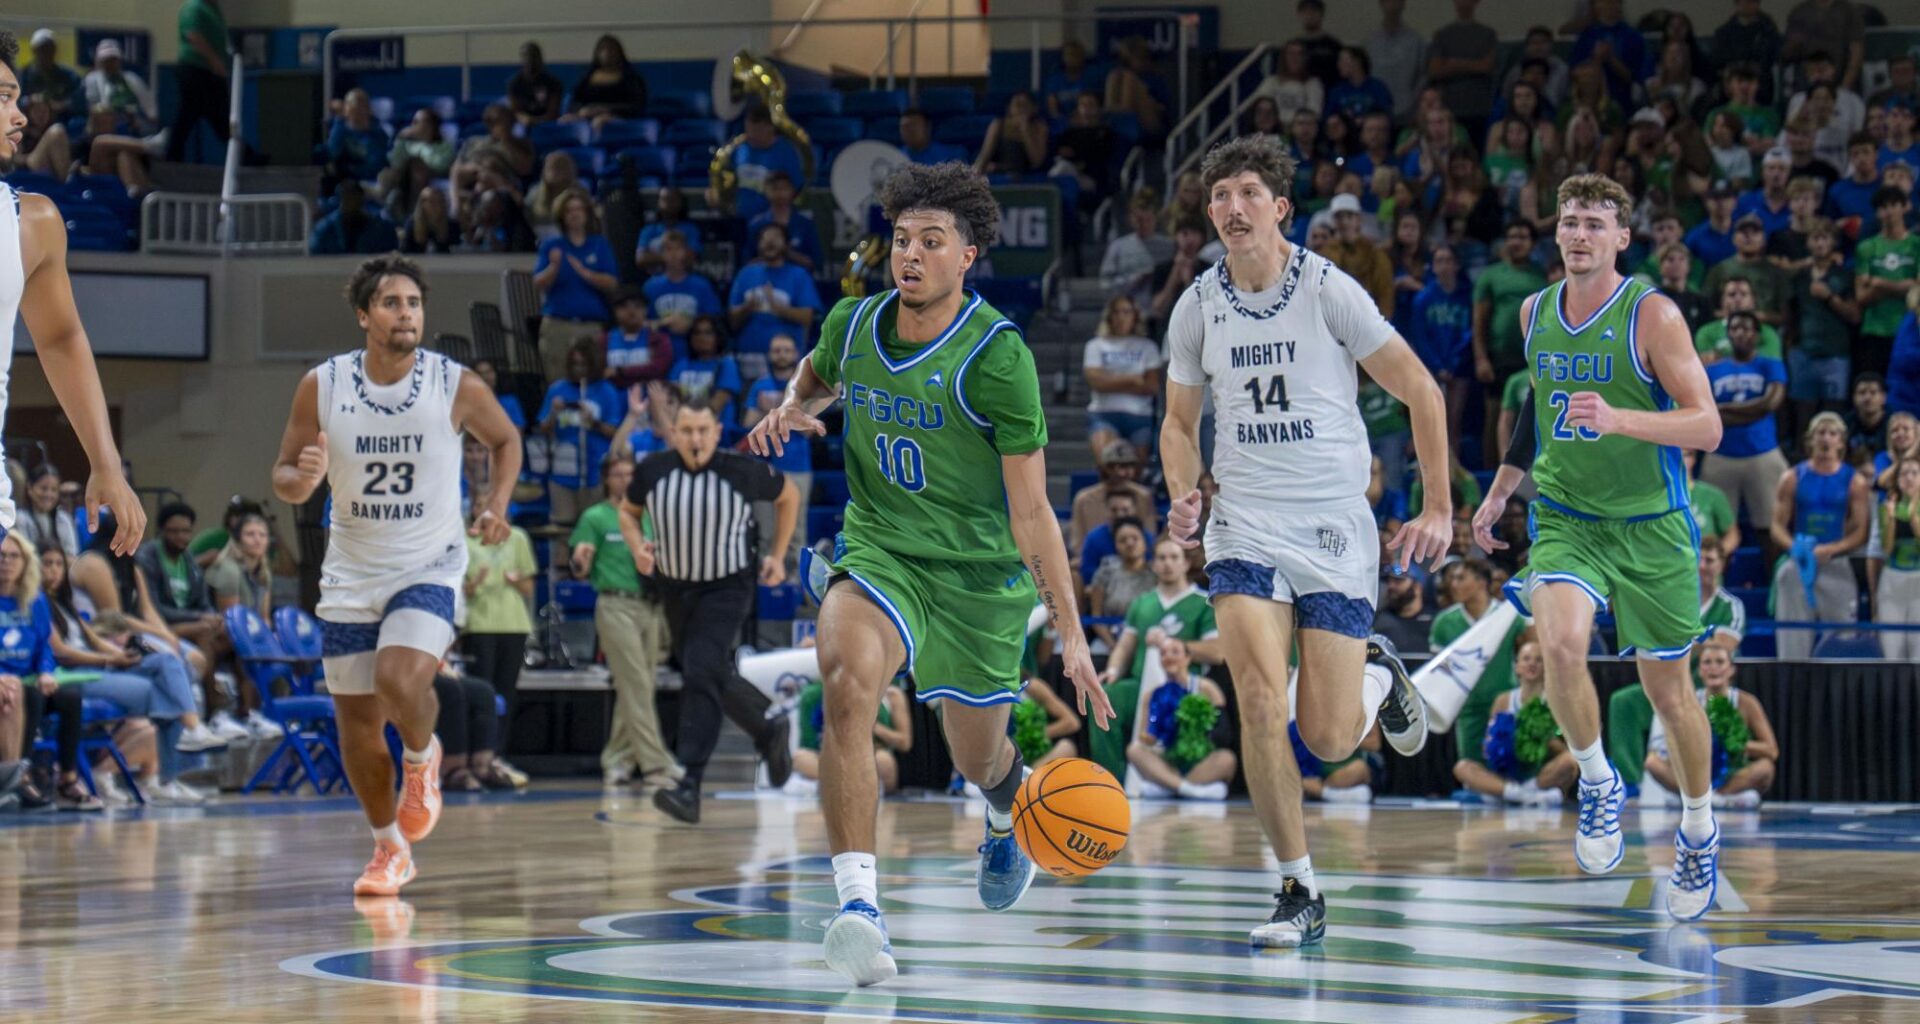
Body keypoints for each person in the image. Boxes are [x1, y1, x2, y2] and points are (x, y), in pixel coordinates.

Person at [746, 161, 1109, 986]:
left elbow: (1032, 515)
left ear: (968, 255)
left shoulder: (997, 357)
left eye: (931, 241)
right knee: (845, 681)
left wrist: (1074, 635)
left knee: (978, 759)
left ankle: (1001, 807)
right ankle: (858, 909)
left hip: (979, 581)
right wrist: (794, 403)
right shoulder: (853, 322)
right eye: (901, 239)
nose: (909, 254)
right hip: (879, 552)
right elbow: (819, 368)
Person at [1160, 134, 1448, 946]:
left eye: (1248, 191)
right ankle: (1297, 886)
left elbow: (1423, 390)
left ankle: (1374, 675)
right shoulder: (1197, 305)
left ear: (1280, 208)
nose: (1231, 206)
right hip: (1243, 521)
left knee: (1324, 737)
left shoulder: (1328, 290)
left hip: (1330, 523)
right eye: (1219, 195)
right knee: (1257, 698)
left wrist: (1438, 507)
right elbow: (1178, 426)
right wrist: (1184, 493)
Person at [1472, 173, 1727, 921]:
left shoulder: (1655, 316)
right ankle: (1596, 782)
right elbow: (1538, 408)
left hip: (1653, 524)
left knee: (1669, 694)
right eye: (1569, 221)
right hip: (1567, 515)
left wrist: (1621, 420)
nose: (1578, 234)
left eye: (1594, 223)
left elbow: (1707, 426)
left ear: (1622, 237)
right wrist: (1500, 488)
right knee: (1559, 645)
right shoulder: (1533, 311)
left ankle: (1699, 828)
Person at [270, 254, 522, 897]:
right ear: (364, 314)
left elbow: (506, 440)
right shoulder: (321, 385)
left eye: (413, 302)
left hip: (429, 563)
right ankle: (390, 848)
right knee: (355, 725)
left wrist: (495, 504)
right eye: (391, 303)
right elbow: (286, 477)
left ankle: (422, 755)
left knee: (397, 678)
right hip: (352, 570)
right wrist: (302, 480)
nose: (405, 312)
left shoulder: (452, 382)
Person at [626, 402, 797, 822]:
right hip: (674, 587)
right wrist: (636, 547)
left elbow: (788, 495)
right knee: (710, 671)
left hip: (726, 587)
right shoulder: (652, 470)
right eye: (687, 430)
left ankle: (689, 785)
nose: (696, 439)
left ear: (717, 431)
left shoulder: (739, 470)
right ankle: (768, 728)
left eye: (703, 430)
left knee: (700, 671)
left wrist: (777, 556)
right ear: (674, 433)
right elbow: (628, 512)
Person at [571, 454, 676, 789]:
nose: (625, 480)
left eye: (630, 474)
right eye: (617, 475)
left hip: (651, 606)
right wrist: (580, 559)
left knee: (637, 685)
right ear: (606, 480)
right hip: (615, 605)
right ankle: (656, 765)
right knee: (637, 683)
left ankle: (618, 760)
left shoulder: (647, 516)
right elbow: (580, 561)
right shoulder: (596, 516)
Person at [1605, 544, 1746, 793]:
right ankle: (1629, 782)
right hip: (1669, 675)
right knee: (1623, 701)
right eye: (1699, 560)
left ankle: (1713, 786)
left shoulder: (1730, 605)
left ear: (1722, 565)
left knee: (1692, 696)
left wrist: (1681, 641)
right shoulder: (1677, 598)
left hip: (1706, 680)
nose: (1703, 566)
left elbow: (1723, 647)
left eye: (1710, 560)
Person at [1092, 535, 1221, 778]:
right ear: (1153, 564)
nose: (1167, 563)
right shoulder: (1142, 603)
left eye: (1174, 557)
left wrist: (1174, 645)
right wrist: (1112, 671)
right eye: (1161, 558)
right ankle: (1110, 779)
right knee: (1104, 697)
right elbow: (1124, 646)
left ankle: (1183, 777)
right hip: (1141, 685)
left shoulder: (1203, 602)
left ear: (1185, 563)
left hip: (1184, 687)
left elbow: (1217, 652)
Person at [1770, 412, 1871, 657]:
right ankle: (1791, 686)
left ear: (1841, 442)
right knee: (1791, 637)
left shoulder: (1854, 481)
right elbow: (1776, 526)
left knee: (1843, 639)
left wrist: (1833, 549)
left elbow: (1861, 531)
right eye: (1821, 433)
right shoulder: (1792, 477)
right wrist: (1795, 547)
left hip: (1836, 562)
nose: (1826, 438)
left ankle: (1841, 691)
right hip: (1800, 562)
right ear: (1810, 440)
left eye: (1832, 433)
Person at [1644, 646, 1777, 810]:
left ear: (1731, 670)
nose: (1713, 667)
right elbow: (1670, 746)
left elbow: (1771, 750)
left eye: (1720, 662)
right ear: (1700, 670)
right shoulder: (1688, 702)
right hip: (1694, 772)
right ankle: (1699, 795)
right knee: (1653, 763)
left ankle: (1716, 795)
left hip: (1732, 773)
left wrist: (1735, 743)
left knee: (1765, 768)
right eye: (1707, 662)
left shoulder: (1746, 702)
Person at [1453, 640, 1573, 806]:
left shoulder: (1555, 703)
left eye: (1539, 660)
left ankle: (1517, 792)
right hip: (1506, 772)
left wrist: (1543, 739)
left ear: (1547, 668)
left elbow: (1566, 750)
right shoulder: (1503, 700)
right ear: (1517, 667)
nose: (1532, 663)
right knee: (1462, 767)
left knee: (1570, 761)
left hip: (1540, 773)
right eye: (1526, 659)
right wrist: (1502, 743)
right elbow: (1487, 745)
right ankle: (1519, 794)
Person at [1473, 221, 1549, 466]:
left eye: (1523, 237)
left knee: (1533, 415)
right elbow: (1479, 321)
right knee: (1495, 416)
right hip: (1499, 357)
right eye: (1512, 236)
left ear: (1533, 244)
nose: (1516, 242)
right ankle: (1492, 472)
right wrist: (1481, 357)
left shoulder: (1541, 276)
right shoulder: (1491, 275)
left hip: (1533, 358)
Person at [1125, 637, 1236, 800]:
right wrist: (1159, 730)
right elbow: (1145, 738)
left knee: (1227, 759)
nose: (1168, 657)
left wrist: (1195, 731)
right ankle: (1187, 789)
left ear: (1188, 658)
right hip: (1169, 760)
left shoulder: (1206, 688)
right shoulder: (1152, 695)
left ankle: (1168, 787)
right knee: (1134, 750)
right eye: (1163, 653)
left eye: (1175, 652)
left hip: (1201, 761)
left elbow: (1224, 733)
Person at [534, 188, 620, 387]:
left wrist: (586, 273)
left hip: (591, 325)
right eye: (569, 210)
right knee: (558, 382)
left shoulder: (599, 245)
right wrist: (554, 267)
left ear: (587, 214)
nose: (574, 214)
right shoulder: (552, 245)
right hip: (558, 324)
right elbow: (538, 283)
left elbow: (612, 283)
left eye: (579, 209)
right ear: (562, 215)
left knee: (594, 381)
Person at [536, 339, 625, 524]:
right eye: (574, 364)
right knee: (561, 530)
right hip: (563, 473)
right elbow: (543, 429)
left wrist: (594, 423)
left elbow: (615, 432)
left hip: (596, 473)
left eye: (583, 364)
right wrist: (554, 413)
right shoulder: (557, 389)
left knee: (594, 527)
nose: (578, 369)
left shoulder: (606, 391)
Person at [728, 222, 822, 383]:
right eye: (765, 239)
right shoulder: (746, 274)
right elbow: (731, 320)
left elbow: (807, 317)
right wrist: (746, 309)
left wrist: (778, 308)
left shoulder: (798, 275)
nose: (770, 242)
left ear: (786, 244)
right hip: (749, 357)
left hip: (786, 358)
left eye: (776, 238)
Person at [792, 676, 910, 796]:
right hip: (834, 756)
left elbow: (904, 743)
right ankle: (845, 786)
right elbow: (810, 744)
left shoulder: (891, 695)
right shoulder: (816, 693)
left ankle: (842, 786)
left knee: (884, 761)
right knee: (800, 758)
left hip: (870, 756)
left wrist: (874, 728)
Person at [1082, 295, 1161, 460]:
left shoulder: (1148, 347)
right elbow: (1096, 383)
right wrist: (1132, 379)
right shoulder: (1095, 345)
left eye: (1126, 312)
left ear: (1135, 316)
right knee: (1108, 466)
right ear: (1109, 316)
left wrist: (1109, 379)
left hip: (1139, 416)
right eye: (1116, 312)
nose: (1121, 317)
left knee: (1133, 474)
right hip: (1104, 414)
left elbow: (1151, 386)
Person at [1854, 186, 1920, 378]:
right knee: (1874, 385)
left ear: (1905, 207)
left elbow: (1917, 290)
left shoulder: (1917, 246)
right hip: (1875, 330)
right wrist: (1903, 286)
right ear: (1877, 212)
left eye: (1893, 205)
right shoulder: (1867, 247)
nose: (1889, 211)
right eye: (1883, 207)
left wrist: (1879, 283)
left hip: (1910, 329)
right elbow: (1861, 297)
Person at [719, 102, 806, 221]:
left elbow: (795, 187)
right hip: (741, 218)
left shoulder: (786, 152)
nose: (749, 134)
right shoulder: (739, 149)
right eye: (747, 128)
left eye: (755, 130)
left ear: (769, 127)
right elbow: (730, 181)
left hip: (773, 222)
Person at [169, 0, 231, 162]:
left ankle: (246, 155)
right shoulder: (194, 7)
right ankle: (171, 156)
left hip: (209, 71)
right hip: (195, 69)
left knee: (220, 118)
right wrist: (215, 61)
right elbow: (193, 35)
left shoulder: (213, 9)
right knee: (188, 115)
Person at [1876, 455, 1920, 660]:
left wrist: (1913, 515)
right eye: (1904, 473)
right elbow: (1886, 547)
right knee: (1892, 651)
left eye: (1914, 473)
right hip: (1892, 581)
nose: (1909, 478)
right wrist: (1892, 518)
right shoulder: (1888, 506)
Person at [746, 170, 824, 273]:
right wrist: (770, 254)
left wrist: (786, 252)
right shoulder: (756, 225)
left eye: (784, 188)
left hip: (797, 282)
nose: (780, 193)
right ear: (766, 191)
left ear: (792, 191)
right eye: (775, 188)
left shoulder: (805, 224)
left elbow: (816, 263)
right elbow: (746, 263)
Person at [566, 33, 646, 127]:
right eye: (603, 49)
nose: (607, 53)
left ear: (619, 53)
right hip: (587, 115)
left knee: (599, 122)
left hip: (619, 117)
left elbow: (636, 106)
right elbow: (574, 101)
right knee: (565, 121)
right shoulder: (587, 77)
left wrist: (607, 110)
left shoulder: (631, 78)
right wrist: (581, 110)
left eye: (611, 50)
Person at [1365, 0, 1427, 121]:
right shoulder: (1370, 42)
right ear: (1381, 4)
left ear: (1403, 4)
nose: (1392, 5)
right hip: (1377, 113)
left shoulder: (1416, 40)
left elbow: (1422, 77)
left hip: (1407, 113)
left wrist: (1413, 105)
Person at [204, 511, 272, 618]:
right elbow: (231, 620)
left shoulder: (264, 573)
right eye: (250, 534)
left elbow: (264, 618)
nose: (258, 540)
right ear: (238, 540)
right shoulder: (228, 570)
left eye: (263, 535)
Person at [309, 180, 398, 256]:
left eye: (355, 199)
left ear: (362, 200)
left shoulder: (382, 228)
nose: (351, 205)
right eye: (347, 199)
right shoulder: (325, 229)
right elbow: (315, 255)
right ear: (340, 200)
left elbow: (390, 255)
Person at [975, 91, 1049, 178]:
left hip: (1028, 178)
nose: (1021, 109)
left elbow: (1037, 162)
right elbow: (984, 156)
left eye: (1025, 105)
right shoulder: (998, 124)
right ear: (1009, 108)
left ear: (1033, 108)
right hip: (1000, 175)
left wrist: (1025, 131)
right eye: (1017, 104)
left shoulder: (1040, 127)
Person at [14, 464, 79, 559]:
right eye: (43, 488)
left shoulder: (63, 519)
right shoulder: (20, 518)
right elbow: (23, 555)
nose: (48, 494)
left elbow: (71, 555)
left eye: (54, 490)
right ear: (30, 488)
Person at [506, 42, 564, 126]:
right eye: (525, 56)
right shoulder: (514, 83)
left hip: (548, 124)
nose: (529, 60)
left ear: (540, 59)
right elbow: (515, 112)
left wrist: (535, 121)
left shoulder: (553, 83)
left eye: (533, 56)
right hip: (523, 124)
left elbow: (553, 113)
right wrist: (524, 119)